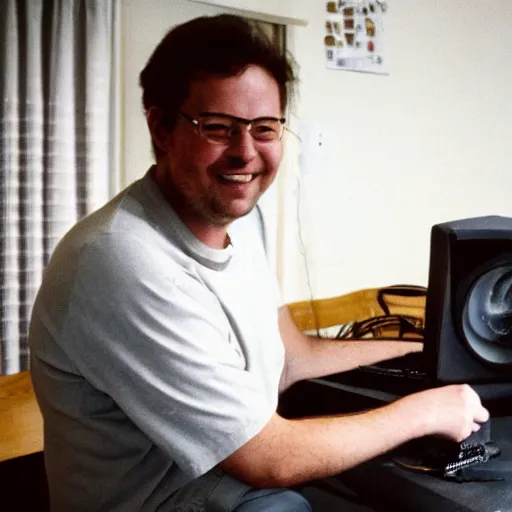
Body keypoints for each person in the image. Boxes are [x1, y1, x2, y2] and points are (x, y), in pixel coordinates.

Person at [29, 14, 489, 512]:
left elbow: (291, 357)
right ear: (161, 127)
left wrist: (426, 352)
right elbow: (269, 457)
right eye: (219, 128)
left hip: (237, 488)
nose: (245, 153)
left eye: (264, 128)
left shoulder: (242, 223)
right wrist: (424, 412)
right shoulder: (119, 258)